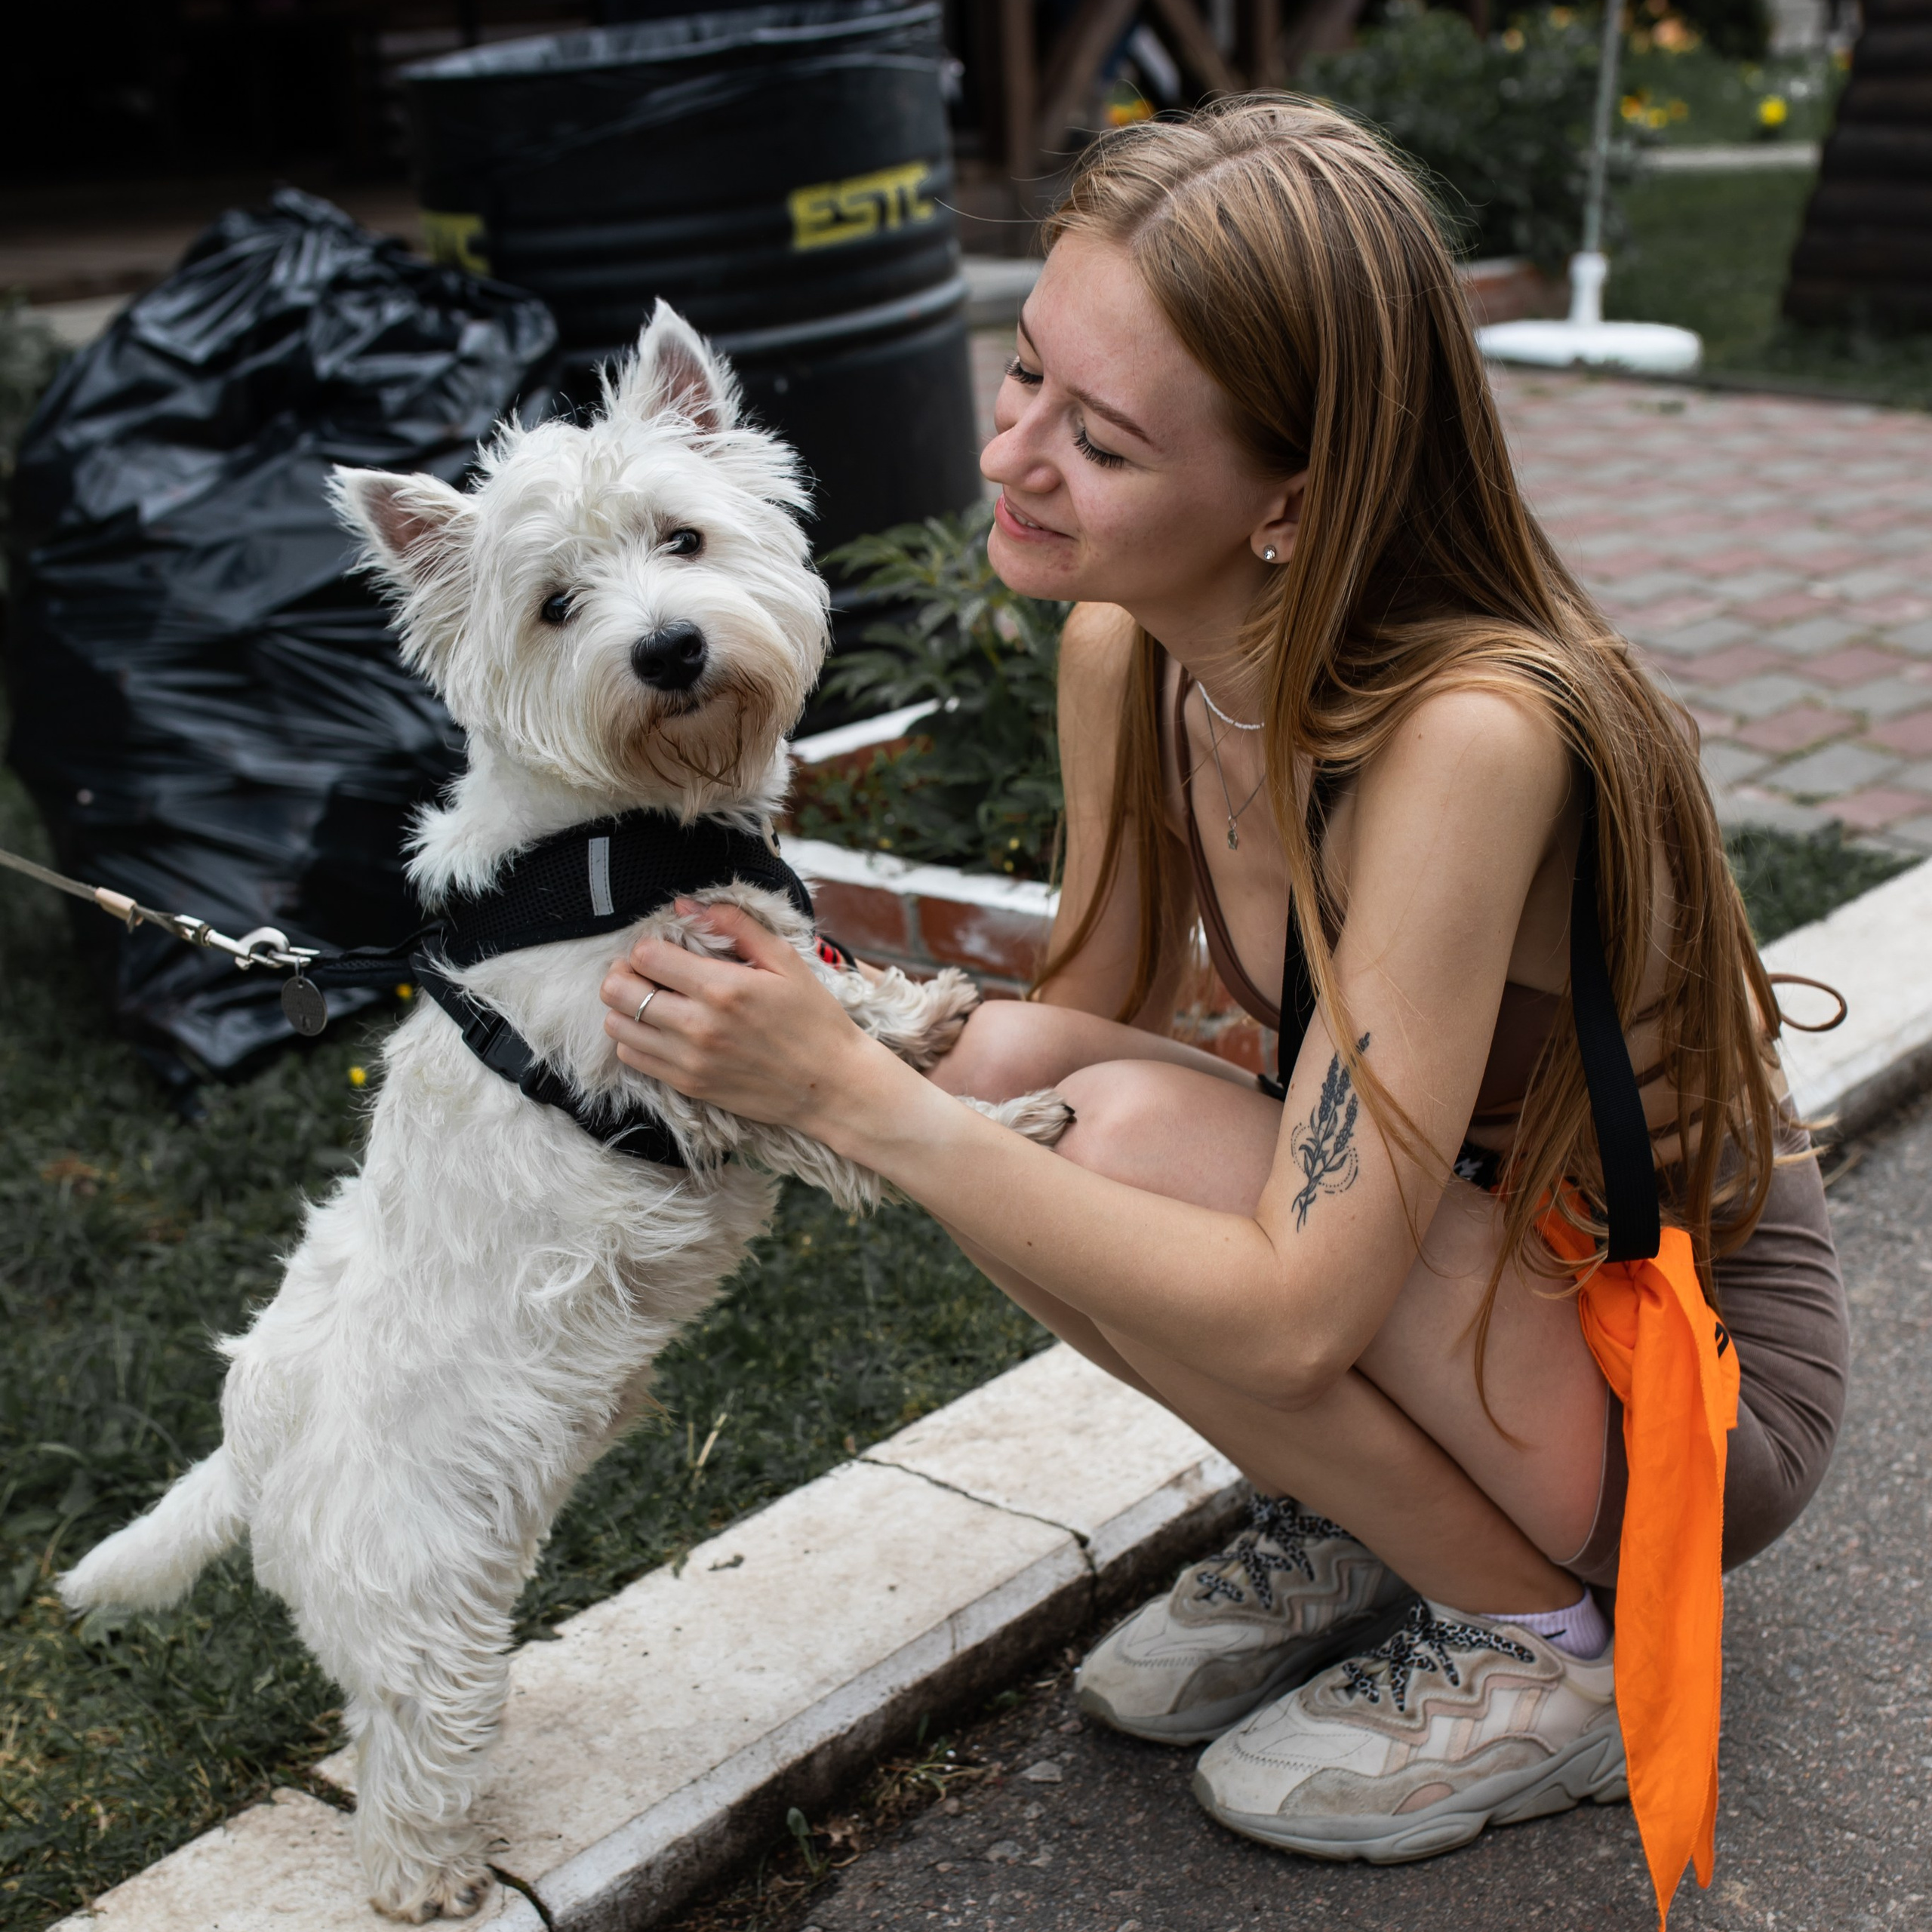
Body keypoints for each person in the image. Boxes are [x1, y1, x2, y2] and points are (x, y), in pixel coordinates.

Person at [598, 97, 1845, 1905]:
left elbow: (1275, 1310)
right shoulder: (1128, 648)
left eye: (1095, 439)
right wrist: (849, 1013)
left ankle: (1538, 1637)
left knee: (1054, 1122)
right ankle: (1377, 1517)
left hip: (1684, 1388)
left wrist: (858, 1095)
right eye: (1018, 374)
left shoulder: (1462, 737)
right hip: (1479, 1279)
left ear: (1293, 500)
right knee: (1022, 1069)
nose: (1011, 454)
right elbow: (1070, 1039)